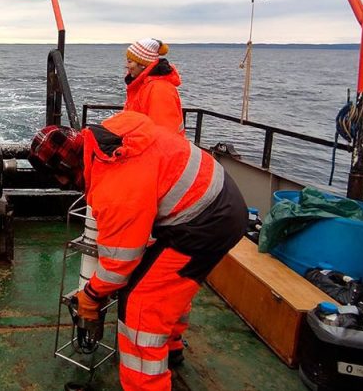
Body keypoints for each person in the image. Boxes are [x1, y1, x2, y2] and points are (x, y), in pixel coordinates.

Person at [28, 111, 246, 391]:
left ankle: (146, 383)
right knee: (163, 282)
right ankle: (171, 348)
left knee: (141, 306)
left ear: (61, 175)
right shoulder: (108, 134)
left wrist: (91, 295)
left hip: (206, 222)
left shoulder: (114, 184)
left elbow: (120, 262)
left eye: (61, 180)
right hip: (215, 200)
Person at [123, 38, 185, 136]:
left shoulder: (159, 89)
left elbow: (163, 135)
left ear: (143, 64)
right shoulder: (144, 85)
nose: (126, 66)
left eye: (130, 61)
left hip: (149, 149)